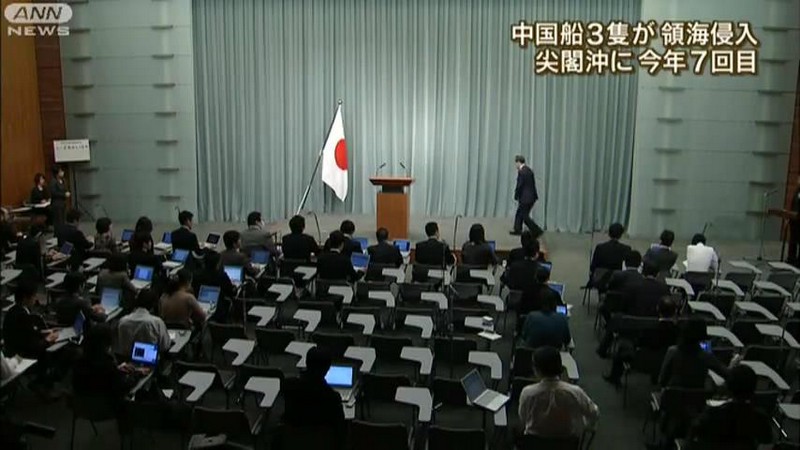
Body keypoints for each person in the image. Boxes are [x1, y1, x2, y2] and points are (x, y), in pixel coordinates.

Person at [518, 346, 599, 438]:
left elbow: (523, 418)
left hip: (533, 442)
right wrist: (586, 423)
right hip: (565, 442)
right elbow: (594, 412)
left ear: (537, 370)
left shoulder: (527, 393)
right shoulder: (575, 392)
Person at [688, 365, 772, 449]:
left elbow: (692, 436)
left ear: (728, 386)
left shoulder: (712, 414)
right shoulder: (760, 418)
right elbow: (768, 443)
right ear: (753, 388)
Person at [603, 297, 678, 386]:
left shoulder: (649, 328)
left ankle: (614, 377)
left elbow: (639, 342)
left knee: (624, 346)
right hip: (666, 363)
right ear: (675, 312)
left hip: (641, 361)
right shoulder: (678, 331)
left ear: (657, 308)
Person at [282, 347, 346, 450]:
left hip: (293, 443)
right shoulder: (332, 397)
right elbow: (340, 430)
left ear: (306, 363)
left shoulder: (288, 386)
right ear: (327, 369)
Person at [72, 323, 147, 412]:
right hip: (105, 409)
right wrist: (137, 374)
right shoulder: (107, 365)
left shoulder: (78, 360)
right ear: (105, 344)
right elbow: (123, 386)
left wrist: (117, 370)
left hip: (81, 407)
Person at [658, 319, 732, 389]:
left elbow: (662, 381)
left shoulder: (672, 352)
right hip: (698, 398)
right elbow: (728, 375)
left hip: (673, 397)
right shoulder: (706, 356)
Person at [2, 281, 58, 359]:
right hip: (21, 356)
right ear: (25, 298)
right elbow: (32, 347)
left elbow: (26, 334)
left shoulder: (12, 310)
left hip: (14, 350)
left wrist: (42, 332)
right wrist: (48, 340)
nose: (36, 298)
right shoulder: (23, 317)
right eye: (34, 296)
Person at [116, 289, 171, 356]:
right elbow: (165, 346)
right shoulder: (156, 322)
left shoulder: (122, 321)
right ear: (154, 305)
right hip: (151, 360)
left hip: (127, 360)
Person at [191, 251, 234, 322]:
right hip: (219, 308)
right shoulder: (221, 276)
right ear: (217, 264)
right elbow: (230, 292)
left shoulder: (196, 275)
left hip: (198, 304)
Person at [510, 155, 542, 238]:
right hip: (531, 197)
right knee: (520, 213)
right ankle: (517, 229)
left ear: (518, 162)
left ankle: (537, 230)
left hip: (525, 198)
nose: (515, 165)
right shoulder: (529, 170)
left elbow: (519, 185)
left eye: (516, 163)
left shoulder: (521, 172)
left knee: (524, 216)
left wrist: (516, 195)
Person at [789, 176, 800, 266]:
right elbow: (793, 204)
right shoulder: (797, 191)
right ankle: (791, 258)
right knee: (793, 239)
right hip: (794, 220)